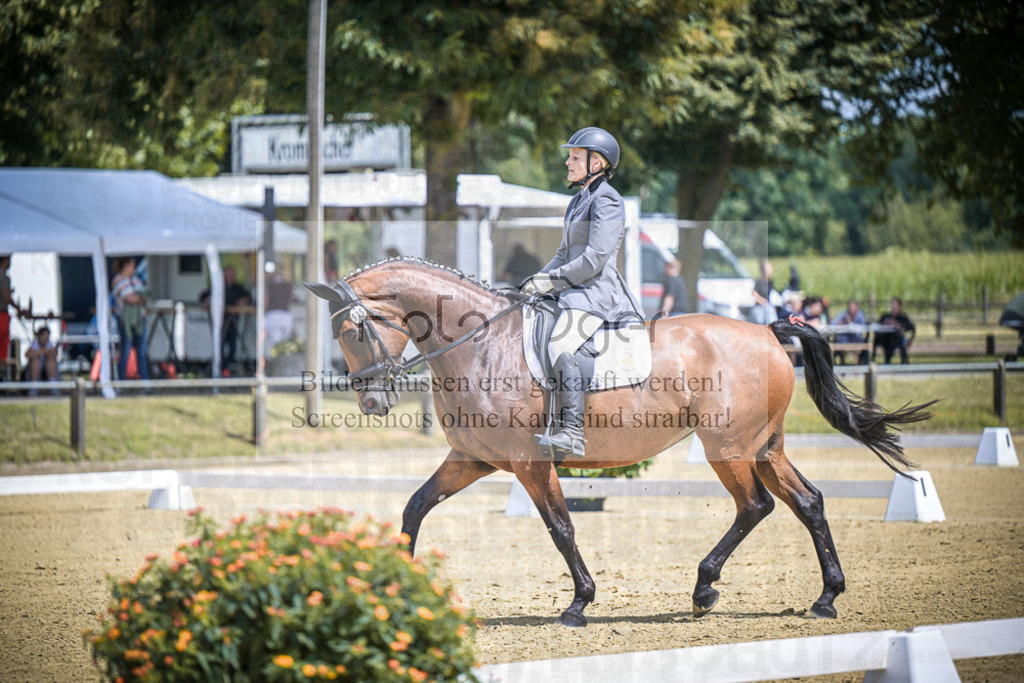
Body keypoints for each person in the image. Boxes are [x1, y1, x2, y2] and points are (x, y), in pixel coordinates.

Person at [521, 126, 643, 460]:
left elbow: (595, 258)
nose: (567, 162)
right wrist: (537, 279)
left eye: (575, 157)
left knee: (562, 342)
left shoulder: (608, 200)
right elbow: (564, 253)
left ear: (597, 162)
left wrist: (554, 281)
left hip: (595, 293)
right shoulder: (578, 200)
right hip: (571, 290)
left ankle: (571, 432)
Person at [200, 266, 252, 372]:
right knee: (219, 347)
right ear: (224, 275)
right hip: (220, 322)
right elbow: (203, 296)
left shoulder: (238, 288)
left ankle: (224, 368)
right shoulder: (218, 286)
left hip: (233, 323)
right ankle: (220, 370)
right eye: (229, 275)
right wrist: (207, 301)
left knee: (232, 349)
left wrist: (243, 300)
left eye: (233, 275)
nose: (231, 277)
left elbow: (249, 297)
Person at [111, 257, 150, 381]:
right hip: (125, 321)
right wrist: (139, 298)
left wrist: (139, 298)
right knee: (125, 351)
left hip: (140, 319)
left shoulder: (136, 280)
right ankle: (121, 382)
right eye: (132, 265)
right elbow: (129, 298)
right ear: (126, 266)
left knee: (142, 352)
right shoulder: (117, 280)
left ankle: (145, 382)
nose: (134, 268)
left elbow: (145, 296)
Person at [876, 297, 916, 364]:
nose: (894, 307)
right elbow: (877, 326)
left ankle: (903, 363)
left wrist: (910, 340)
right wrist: (884, 324)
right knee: (890, 343)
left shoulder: (903, 318)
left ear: (900, 307)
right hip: (886, 340)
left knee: (900, 341)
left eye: (896, 305)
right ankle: (889, 362)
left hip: (899, 340)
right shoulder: (886, 316)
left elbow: (911, 329)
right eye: (892, 305)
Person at [831, 300, 868, 364]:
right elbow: (832, 323)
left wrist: (850, 324)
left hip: (856, 341)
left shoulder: (860, 316)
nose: (852, 310)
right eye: (850, 308)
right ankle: (841, 365)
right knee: (837, 341)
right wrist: (838, 324)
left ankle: (860, 366)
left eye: (854, 308)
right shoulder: (844, 314)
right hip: (843, 341)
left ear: (857, 309)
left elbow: (860, 333)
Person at [265, 274, 296, 350]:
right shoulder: (287, 287)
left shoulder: (269, 287)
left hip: (273, 316)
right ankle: (284, 359)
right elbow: (293, 298)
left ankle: (277, 360)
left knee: (276, 344)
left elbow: (265, 300)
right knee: (286, 343)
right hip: (286, 316)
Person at [1, 254, 22, 365]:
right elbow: (6, 297)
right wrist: (18, 308)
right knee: (3, 343)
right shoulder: (4, 277)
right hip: (2, 315)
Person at [25, 326, 58, 395]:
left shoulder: (50, 344)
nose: (46, 338)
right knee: (35, 361)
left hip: (47, 369)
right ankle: (34, 387)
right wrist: (44, 351)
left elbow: (55, 354)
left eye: (47, 336)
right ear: (39, 336)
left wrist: (40, 352)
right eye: (44, 336)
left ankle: (52, 386)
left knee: (50, 360)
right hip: (34, 370)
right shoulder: (34, 345)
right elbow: (27, 354)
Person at [751, 259, 779, 324]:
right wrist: (763, 302)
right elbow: (754, 294)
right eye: (768, 268)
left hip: (768, 307)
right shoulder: (759, 281)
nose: (771, 269)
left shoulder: (770, 282)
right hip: (760, 308)